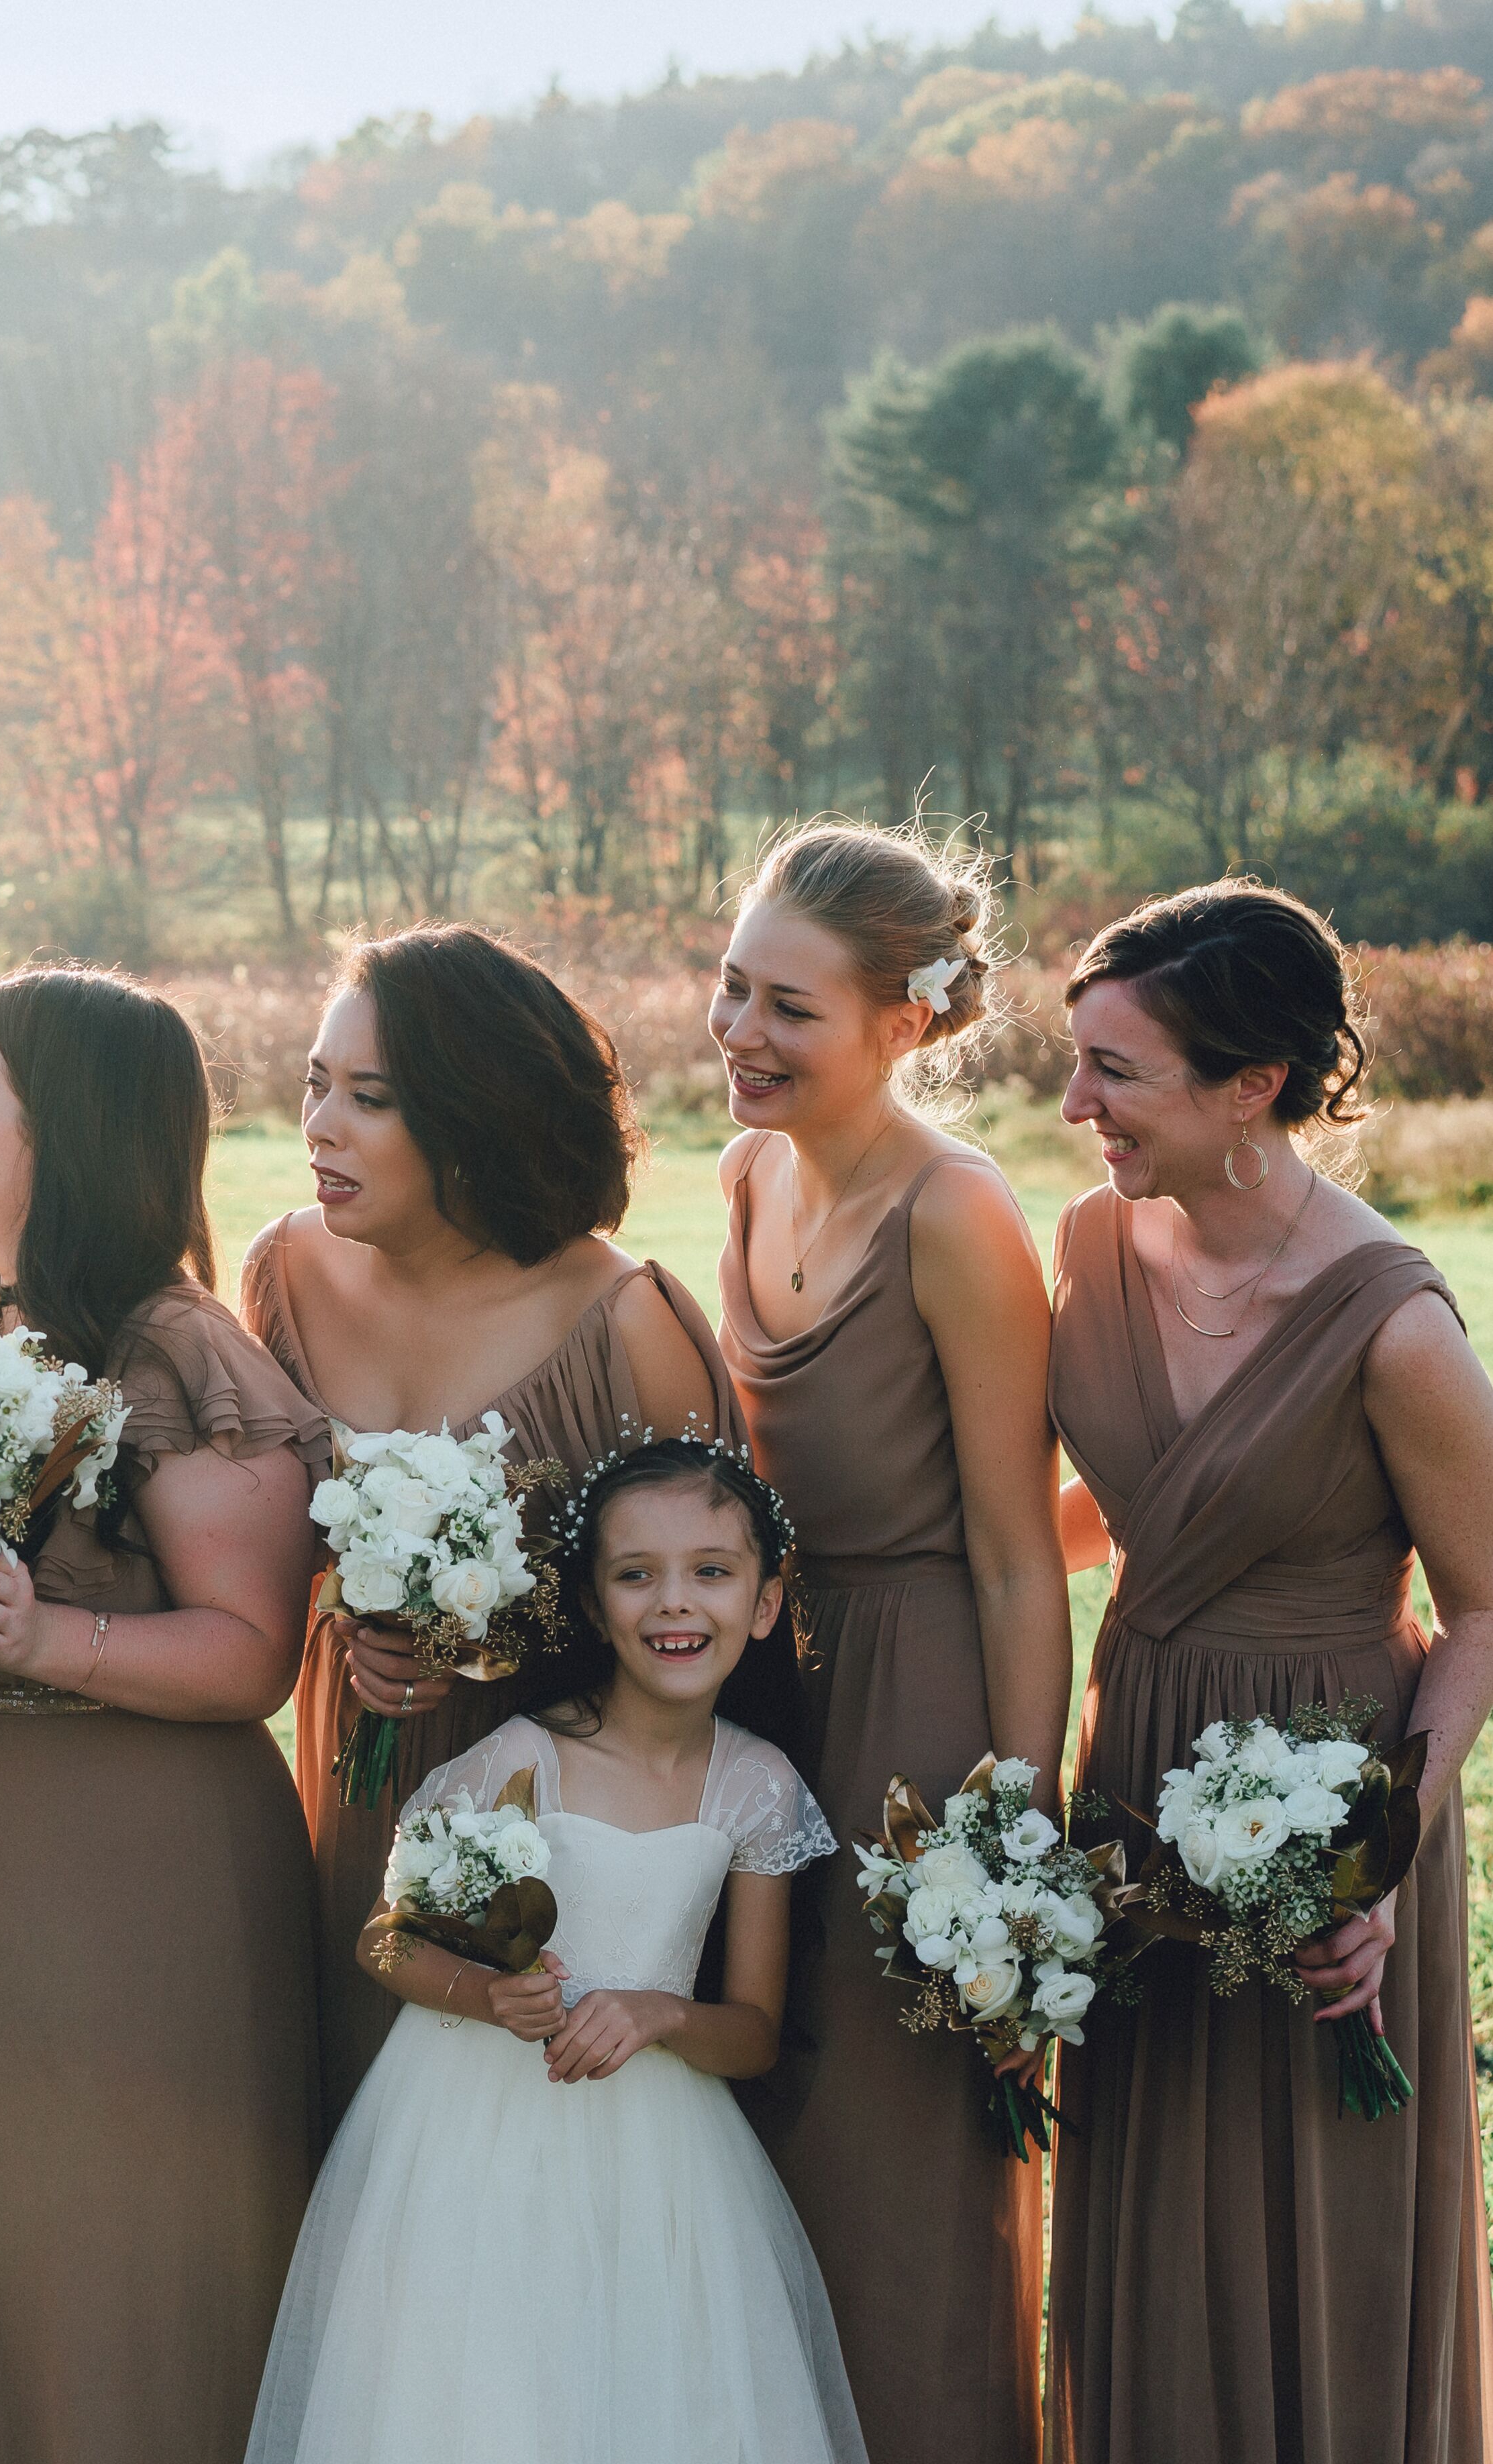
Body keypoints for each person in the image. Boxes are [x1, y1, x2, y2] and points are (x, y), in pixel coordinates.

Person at [0, 968, 322, 2464]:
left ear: (67, 1142)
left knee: (115, 2283)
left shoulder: (177, 1351)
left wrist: (51, 1632)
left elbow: (250, 1656)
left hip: (113, 1894)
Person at [1046, 883, 1493, 2464]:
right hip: (1133, 1774)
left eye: (1113, 1071)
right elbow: (1148, 1504)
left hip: (1316, 1820)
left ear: (1249, 1088)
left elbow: (1483, 1608)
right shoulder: (1086, 1245)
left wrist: (1376, 1853)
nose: (1073, 1104)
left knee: (1311, 2213)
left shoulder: (1392, 1326)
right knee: (1149, 2199)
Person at [247, 1436, 862, 2464]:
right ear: (592, 1603)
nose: (675, 1604)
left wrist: (660, 2012)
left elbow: (754, 2032)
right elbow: (384, 1941)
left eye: (711, 1573)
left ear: (763, 1603)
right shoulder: (524, 1758)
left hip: (661, 2160)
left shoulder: (758, 1788)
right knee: (487, 2402)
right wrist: (487, 1996)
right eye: (637, 1576)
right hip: (471, 2134)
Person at [238, 924, 731, 2124]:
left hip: (564, 1809)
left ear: (473, 1117)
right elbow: (255, 1534)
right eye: (315, 1083)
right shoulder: (286, 1272)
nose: (321, 1127)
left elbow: (711, 1614)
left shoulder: (627, 1321)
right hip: (353, 1771)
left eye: (372, 1098)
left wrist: (487, 1643)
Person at [705, 827, 1062, 2464]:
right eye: (729, 986)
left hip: (919, 1699)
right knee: (757, 2109)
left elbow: (1012, 1548)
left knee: (898, 2149)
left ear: (898, 1024)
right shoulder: (743, 1174)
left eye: (788, 1006)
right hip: (760, 1687)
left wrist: (1010, 1818)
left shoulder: (957, 1213)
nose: (739, 1033)